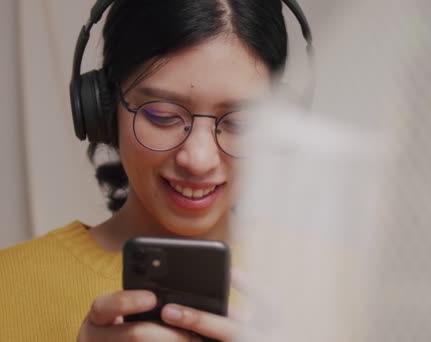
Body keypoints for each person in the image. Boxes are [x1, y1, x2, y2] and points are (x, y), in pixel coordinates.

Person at [0, 0, 310, 340]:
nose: (198, 159)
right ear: (102, 108)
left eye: (241, 122)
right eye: (163, 115)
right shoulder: (8, 286)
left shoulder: (342, 291)